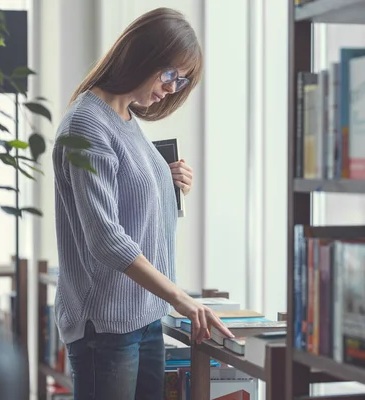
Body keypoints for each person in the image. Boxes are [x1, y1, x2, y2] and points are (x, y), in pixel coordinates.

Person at [52, 7, 234, 400]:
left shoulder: (129, 122)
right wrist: (182, 299)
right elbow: (106, 239)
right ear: (141, 56)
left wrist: (171, 188)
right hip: (107, 325)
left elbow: (140, 218)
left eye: (181, 80)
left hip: (146, 315)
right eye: (169, 74)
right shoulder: (86, 124)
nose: (172, 88)